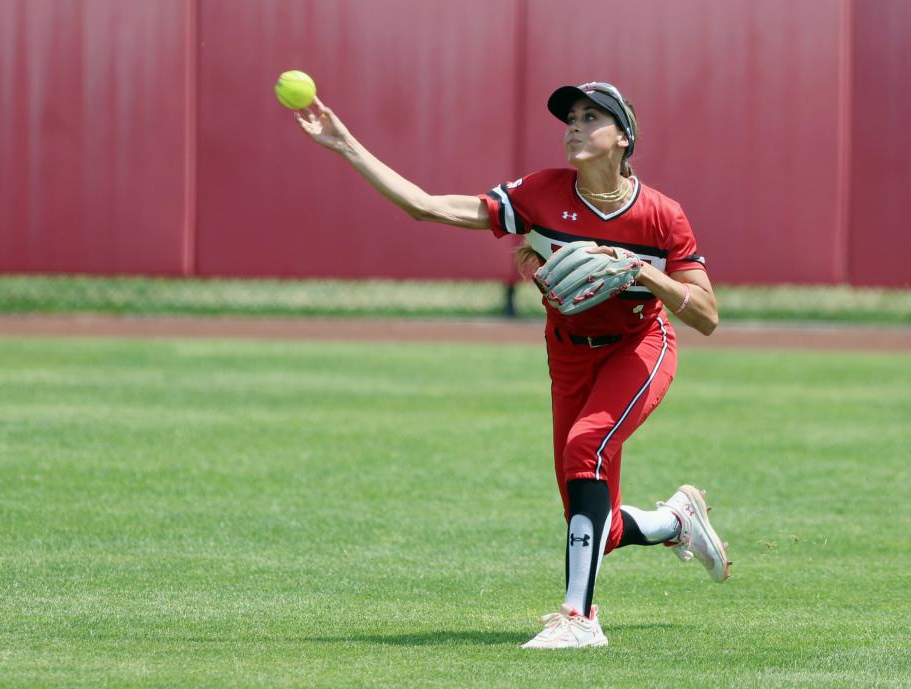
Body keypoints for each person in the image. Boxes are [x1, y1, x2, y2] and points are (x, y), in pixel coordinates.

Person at [295, 81, 730, 649]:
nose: (573, 126)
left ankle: (579, 619)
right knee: (589, 512)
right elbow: (427, 207)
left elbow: (707, 315)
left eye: (590, 117)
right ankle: (677, 521)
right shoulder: (542, 194)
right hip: (568, 355)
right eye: (569, 117)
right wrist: (345, 143)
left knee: (586, 449)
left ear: (623, 137)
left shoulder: (660, 216)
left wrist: (643, 272)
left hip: (638, 347)